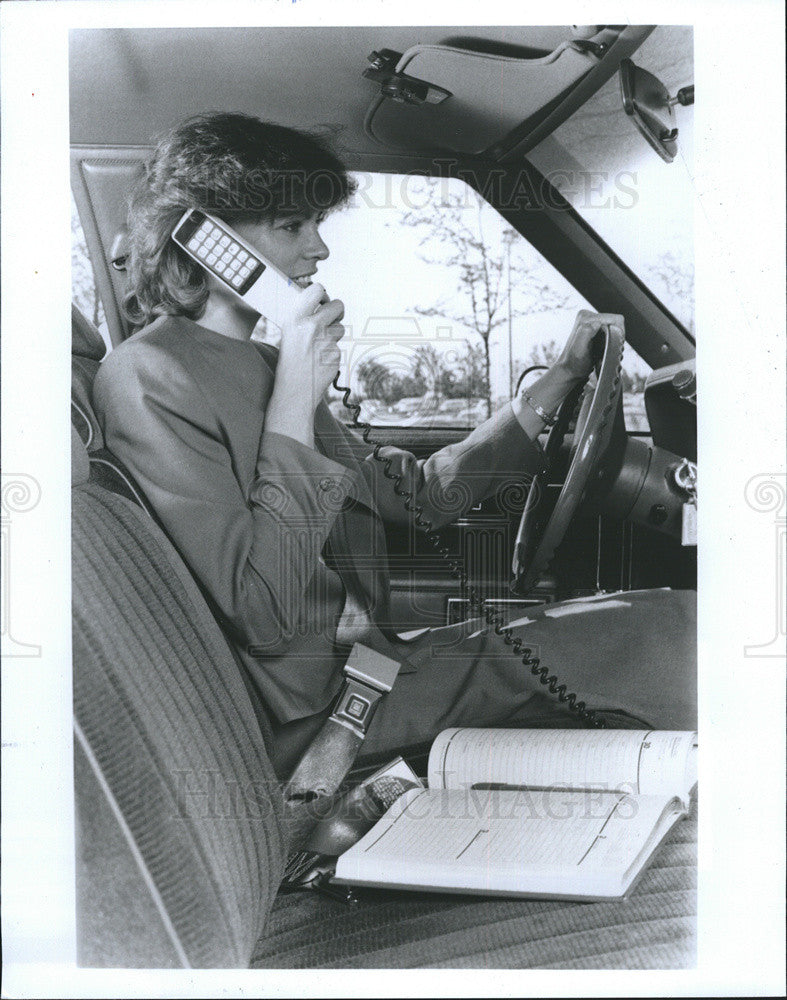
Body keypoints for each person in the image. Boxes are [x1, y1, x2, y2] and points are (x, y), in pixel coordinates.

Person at [93, 113, 696, 778]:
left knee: (649, 617)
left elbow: (419, 497)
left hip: (368, 662)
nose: (319, 249)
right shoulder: (150, 376)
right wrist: (296, 389)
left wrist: (555, 382)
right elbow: (261, 611)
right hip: (313, 719)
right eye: (293, 225)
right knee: (670, 635)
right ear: (205, 239)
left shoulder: (263, 363)